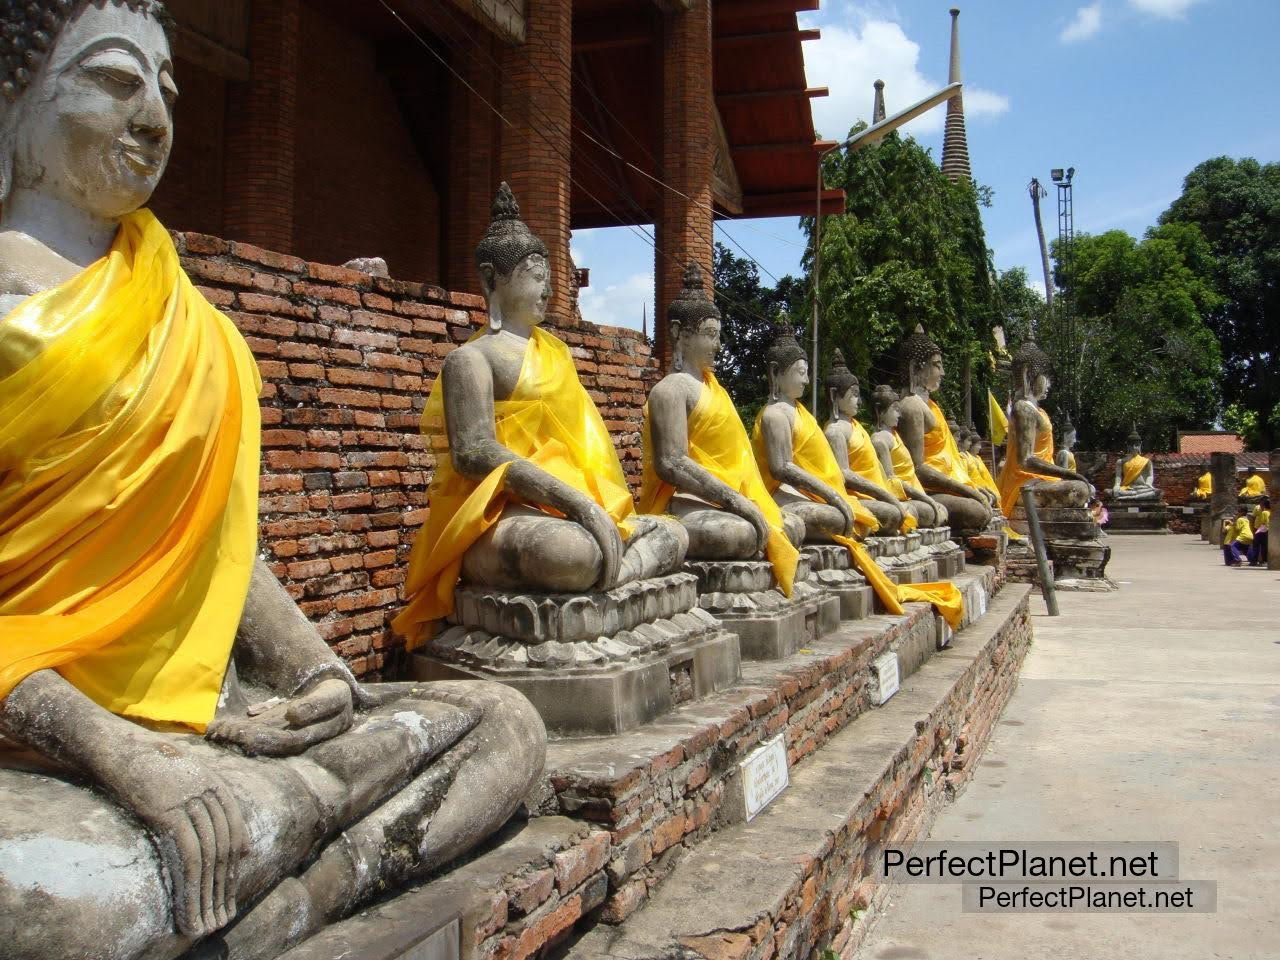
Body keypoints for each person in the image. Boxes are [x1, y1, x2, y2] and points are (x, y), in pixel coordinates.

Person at [1247, 496, 1270, 567]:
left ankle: (1262, 560)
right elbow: (1252, 519)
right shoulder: (1257, 508)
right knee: (1257, 546)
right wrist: (1252, 529)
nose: (1262, 505)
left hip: (1263, 530)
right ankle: (1255, 560)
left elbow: (1264, 522)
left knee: (1263, 546)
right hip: (1258, 529)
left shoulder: (1266, 512)